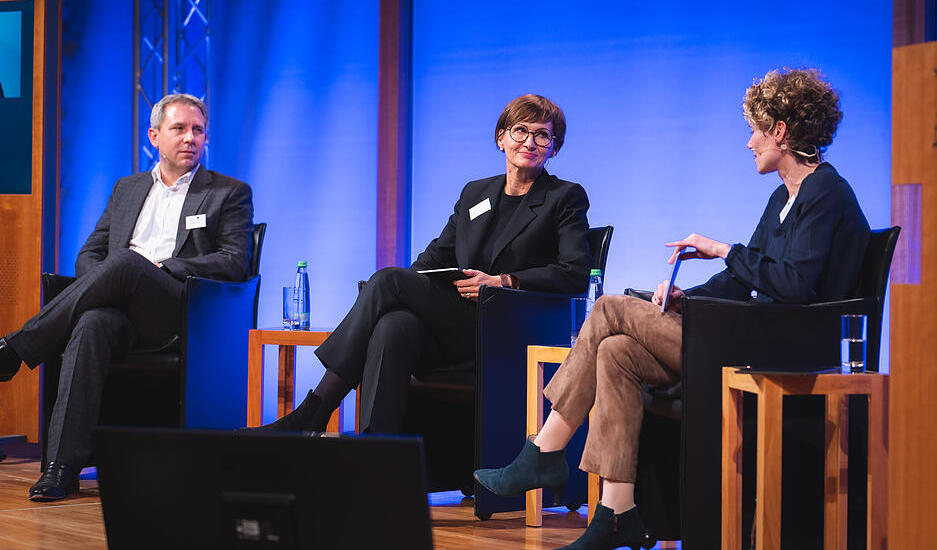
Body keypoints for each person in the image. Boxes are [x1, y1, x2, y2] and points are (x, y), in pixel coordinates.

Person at [474, 69, 870, 550]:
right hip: (759, 334)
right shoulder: (783, 198)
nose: (750, 143)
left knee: (611, 310)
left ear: (780, 131)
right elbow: (747, 277)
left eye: (755, 130)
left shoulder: (825, 192)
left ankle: (544, 449)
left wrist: (723, 248)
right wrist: (687, 296)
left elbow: (793, 286)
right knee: (615, 350)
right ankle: (615, 514)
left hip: (786, 348)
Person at [258, 94, 592, 434]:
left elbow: (575, 273)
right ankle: (375, 454)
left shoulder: (564, 197)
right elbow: (432, 259)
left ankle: (314, 410)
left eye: (543, 135)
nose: (530, 142)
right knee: (394, 324)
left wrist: (504, 281)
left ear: (554, 147)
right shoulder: (476, 194)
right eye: (520, 131)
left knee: (388, 281)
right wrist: (407, 294)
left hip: (508, 326)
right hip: (457, 322)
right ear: (501, 138)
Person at [0, 93, 254, 500]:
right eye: (179, 129)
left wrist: (165, 268)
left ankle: (15, 349)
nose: (190, 138)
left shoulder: (228, 192)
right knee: (91, 321)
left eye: (198, 130)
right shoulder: (128, 188)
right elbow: (89, 255)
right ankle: (60, 467)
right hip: (121, 310)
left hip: (180, 310)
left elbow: (234, 261)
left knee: (127, 262)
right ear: (154, 136)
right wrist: (103, 289)